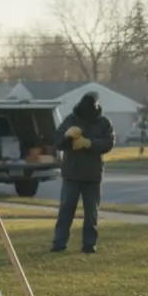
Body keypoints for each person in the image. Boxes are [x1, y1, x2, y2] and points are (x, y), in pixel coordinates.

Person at [52, 91, 114, 254]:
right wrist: (66, 136)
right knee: (66, 210)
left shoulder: (103, 122)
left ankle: (89, 245)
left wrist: (90, 143)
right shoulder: (71, 119)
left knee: (91, 213)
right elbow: (57, 141)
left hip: (92, 175)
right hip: (72, 173)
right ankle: (59, 243)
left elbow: (109, 143)